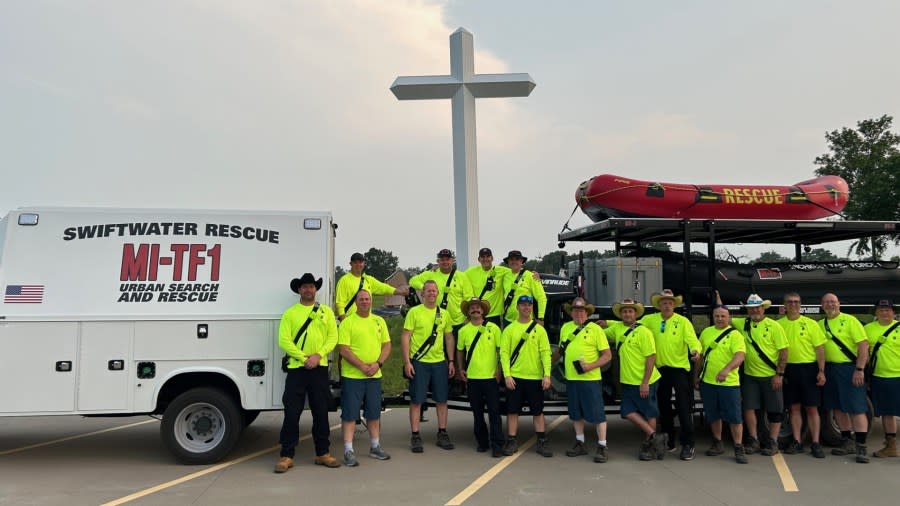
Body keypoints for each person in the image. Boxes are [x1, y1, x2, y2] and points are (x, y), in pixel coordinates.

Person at [275, 273, 340, 473]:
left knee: (321, 412)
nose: (308, 290)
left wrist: (318, 355)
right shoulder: (290, 313)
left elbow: (333, 337)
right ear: (299, 290)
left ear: (315, 289)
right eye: (304, 287)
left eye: (311, 286)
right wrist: (304, 358)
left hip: (319, 369)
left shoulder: (326, 312)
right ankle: (286, 455)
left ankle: (323, 453)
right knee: (291, 413)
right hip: (297, 369)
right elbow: (283, 340)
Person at [640, 289, 701, 460]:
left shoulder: (682, 322)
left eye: (670, 303)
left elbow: (692, 340)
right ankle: (669, 440)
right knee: (663, 407)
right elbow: (631, 324)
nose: (667, 305)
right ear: (659, 305)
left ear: (674, 305)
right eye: (664, 302)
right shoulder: (649, 320)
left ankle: (688, 443)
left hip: (679, 370)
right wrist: (606, 323)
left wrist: (695, 351)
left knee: (683, 406)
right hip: (659, 370)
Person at [605, 298, 667, 461]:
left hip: (645, 381)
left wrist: (645, 382)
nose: (627, 313)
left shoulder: (644, 332)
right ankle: (655, 437)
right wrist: (595, 324)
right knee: (626, 411)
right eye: (624, 311)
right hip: (627, 381)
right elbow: (602, 332)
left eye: (630, 311)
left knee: (649, 413)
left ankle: (649, 445)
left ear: (636, 314)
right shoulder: (617, 328)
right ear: (621, 314)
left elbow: (651, 357)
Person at [337, 290, 392, 466]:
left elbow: (387, 345)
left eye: (367, 299)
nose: (365, 302)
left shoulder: (379, 321)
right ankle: (348, 450)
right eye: (361, 299)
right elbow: (344, 349)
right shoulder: (347, 323)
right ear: (356, 302)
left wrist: (378, 364)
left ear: (371, 302)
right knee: (350, 414)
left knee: (374, 412)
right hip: (353, 376)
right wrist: (361, 366)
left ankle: (375, 447)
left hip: (374, 375)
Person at [729, 294, 788, 457]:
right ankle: (753, 439)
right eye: (751, 308)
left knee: (775, 410)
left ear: (763, 308)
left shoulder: (774, 326)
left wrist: (779, 374)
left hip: (771, 375)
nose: (755, 310)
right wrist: (717, 299)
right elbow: (724, 316)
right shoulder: (744, 323)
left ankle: (773, 441)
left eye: (757, 307)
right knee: (749, 408)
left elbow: (784, 352)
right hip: (750, 376)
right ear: (747, 310)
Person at [402, 279, 456, 453]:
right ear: (422, 293)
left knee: (442, 400)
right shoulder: (414, 312)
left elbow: (449, 338)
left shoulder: (444, 314)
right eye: (428, 291)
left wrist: (451, 361)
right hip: (419, 362)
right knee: (417, 400)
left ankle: (442, 432)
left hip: (439, 362)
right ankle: (415, 435)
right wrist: (407, 362)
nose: (432, 293)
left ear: (438, 293)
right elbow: (405, 337)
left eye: (434, 291)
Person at [557, 297, 612, 463]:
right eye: (575, 310)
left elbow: (607, 356)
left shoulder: (595, 329)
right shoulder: (565, 327)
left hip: (590, 379)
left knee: (597, 414)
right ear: (571, 312)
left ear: (587, 312)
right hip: (572, 378)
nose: (579, 313)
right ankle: (580, 442)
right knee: (576, 413)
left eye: (582, 310)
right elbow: (560, 351)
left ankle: (602, 446)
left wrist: (590, 366)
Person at [820, 293, 870, 463]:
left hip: (850, 368)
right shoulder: (820, 324)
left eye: (833, 301)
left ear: (839, 304)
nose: (830, 304)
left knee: (856, 408)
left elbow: (863, 345)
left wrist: (859, 369)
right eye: (826, 302)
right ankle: (846, 441)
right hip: (830, 369)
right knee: (837, 407)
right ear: (822, 305)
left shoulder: (850, 321)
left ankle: (861, 446)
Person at [500, 295, 553, 457]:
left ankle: (542, 442)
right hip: (515, 377)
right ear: (517, 307)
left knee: (538, 411)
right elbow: (504, 353)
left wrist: (547, 375)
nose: (526, 308)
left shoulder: (539, 330)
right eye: (523, 305)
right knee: (512, 411)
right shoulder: (510, 329)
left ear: (532, 308)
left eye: (529, 305)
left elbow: (545, 353)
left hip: (535, 378)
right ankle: (512, 440)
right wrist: (507, 375)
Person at [695, 305, 748, 464]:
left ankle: (738, 447)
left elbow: (740, 356)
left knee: (734, 417)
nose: (719, 319)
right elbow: (701, 356)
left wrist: (726, 370)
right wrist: (696, 376)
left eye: (723, 316)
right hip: (708, 382)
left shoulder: (735, 335)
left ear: (728, 317)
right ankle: (718, 443)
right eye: (716, 316)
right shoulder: (706, 332)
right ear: (713, 317)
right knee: (713, 414)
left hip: (729, 384)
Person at [778, 292, 827, 458]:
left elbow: (820, 349)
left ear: (801, 304)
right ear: (784, 305)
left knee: (812, 408)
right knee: (793, 407)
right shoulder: (778, 325)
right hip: (789, 370)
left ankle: (815, 443)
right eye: (790, 302)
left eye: (796, 302)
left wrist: (821, 371)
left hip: (809, 369)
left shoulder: (811, 324)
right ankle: (797, 441)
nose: (793, 305)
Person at [456, 297, 504, 457]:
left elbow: (500, 351)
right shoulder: (463, 331)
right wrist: (460, 369)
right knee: (477, 413)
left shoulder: (494, 328)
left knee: (494, 413)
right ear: (468, 312)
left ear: (483, 311)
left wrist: (499, 370)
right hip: (473, 378)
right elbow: (460, 351)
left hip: (491, 378)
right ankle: (482, 443)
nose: (475, 309)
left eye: (478, 307)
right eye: (472, 308)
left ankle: (497, 445)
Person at [464, 247, 539, 327]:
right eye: (483, 257)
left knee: (495, 338)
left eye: (488, 256)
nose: (485, 259)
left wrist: (536, 275)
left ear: (492, 258)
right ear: (479, 259)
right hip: (477, 313)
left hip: (495, 316)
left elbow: (518, 271)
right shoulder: (470, 272)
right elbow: (458, 277)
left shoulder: (502, 271)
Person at [864, 299, 900, 458]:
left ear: (893, 312)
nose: (884, 312)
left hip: (898, 376)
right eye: (881, 310)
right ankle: (891, 446)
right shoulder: (867, 329)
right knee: (887, 413)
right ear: (876, 312)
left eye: (887, 310)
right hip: (879, 377)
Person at [410, 249, 474, 337]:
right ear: (438, 261)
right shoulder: (431, 274)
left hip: (458, 322)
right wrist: (424, 288)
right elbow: (413, 281)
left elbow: (469, 297)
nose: (445, 262)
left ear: (452, 261)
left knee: (459, 349)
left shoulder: (461, 276)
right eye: (442, 259)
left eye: (447, 259)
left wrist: (468, 317)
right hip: (438, 320)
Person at [335, 252, 409, 321]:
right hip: (350, 321)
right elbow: (340, 304)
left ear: (364, 264)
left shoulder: (368, 280)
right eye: (355, 262)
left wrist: (400, 292)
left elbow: (384, 288)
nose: (358, 265)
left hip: (366, 321)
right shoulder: (344, 280)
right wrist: (344, 321)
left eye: (360, 262)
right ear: (351, 264)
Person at [500, 250, 548, 327]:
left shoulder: (531, 276)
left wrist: (541, 318)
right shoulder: (504, 276)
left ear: (522, 261)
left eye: (517, 259)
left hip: (526, 321)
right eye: (512, 259)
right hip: (508, 320)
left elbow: (541, 297)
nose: (514, 262)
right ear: (508, 262)